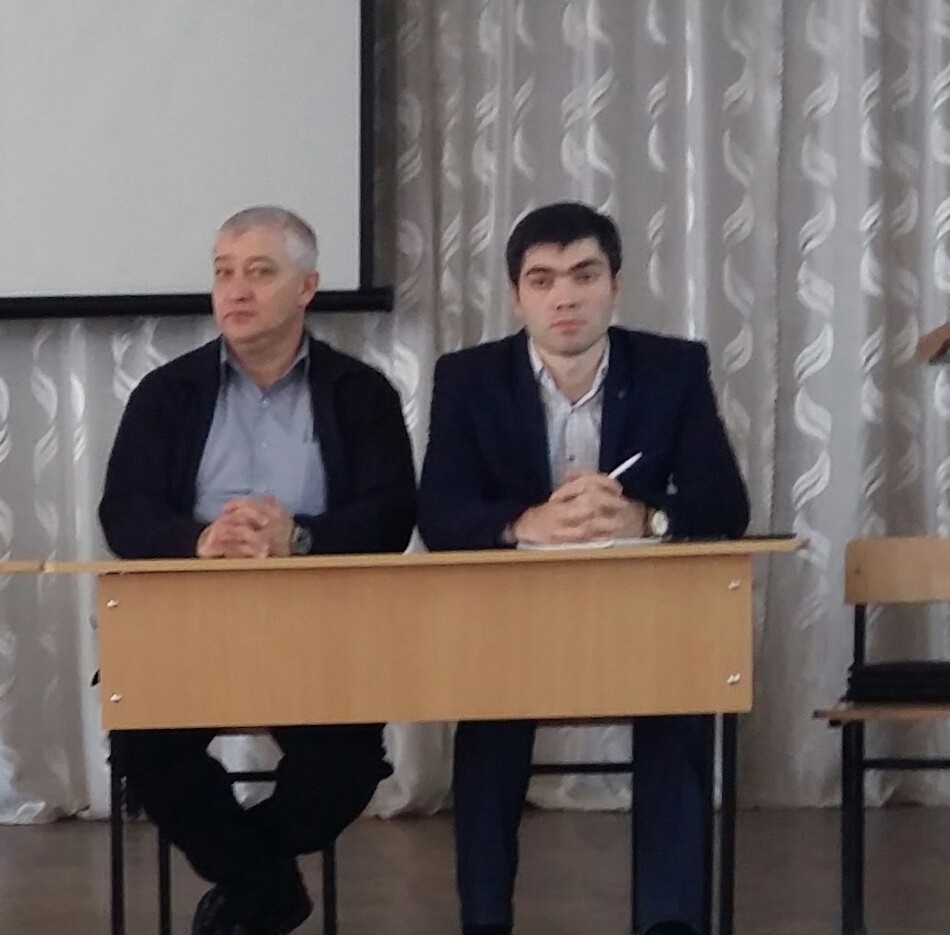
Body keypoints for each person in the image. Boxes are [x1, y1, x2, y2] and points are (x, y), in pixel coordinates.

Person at [418, 202, 749, 935]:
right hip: (512, 617)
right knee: (488, 719)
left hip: (642, 613)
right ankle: (484, 921)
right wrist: (522, 523)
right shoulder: (469, 377)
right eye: (542, 280)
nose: (564, 297)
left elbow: (726, 503)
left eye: (584, 275)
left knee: (682, 699)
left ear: (616, 286)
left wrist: (645, 518)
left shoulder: (672, 368)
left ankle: (669, 923)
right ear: (517, 297)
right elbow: (439, 512)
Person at [99, 206, 416, 935]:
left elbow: (391, 515)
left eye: (260, 272)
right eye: (223, 273)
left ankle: (253, 884)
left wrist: (298, 536)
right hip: (190, 624)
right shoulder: (168, 393)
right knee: (145, 745)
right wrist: (199, 539)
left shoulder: (361, 393)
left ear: (307, 287)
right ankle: (267, 888)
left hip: (322, 627)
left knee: (345, 767)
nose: (236, 290)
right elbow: (124, 511)